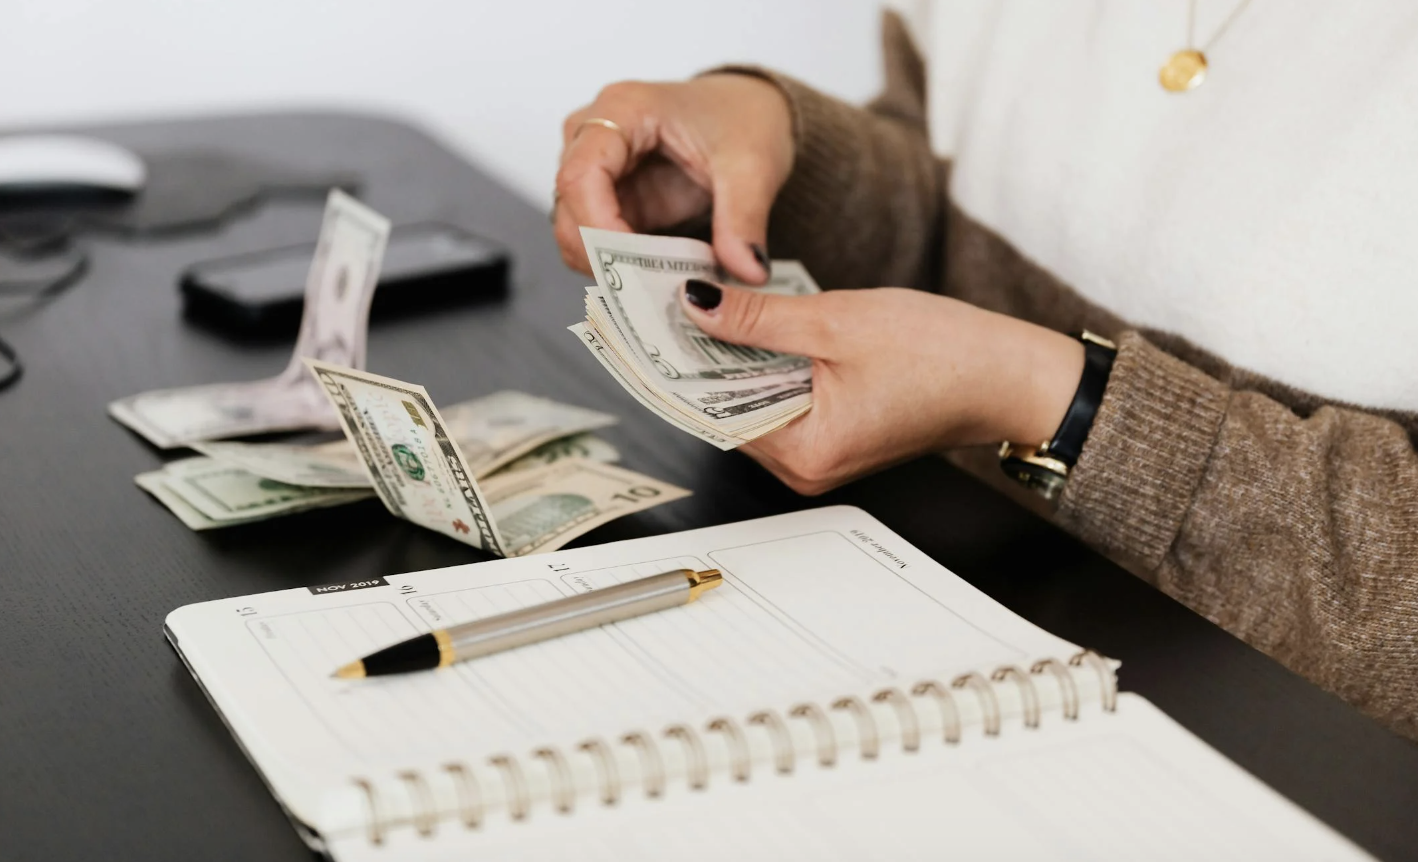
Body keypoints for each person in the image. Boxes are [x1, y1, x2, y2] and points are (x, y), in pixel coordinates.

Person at [550, 3, 1418, 740]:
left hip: (1278, 755)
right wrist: (782, 146)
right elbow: (949, 191)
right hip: (925, 628)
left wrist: (1059, 403)